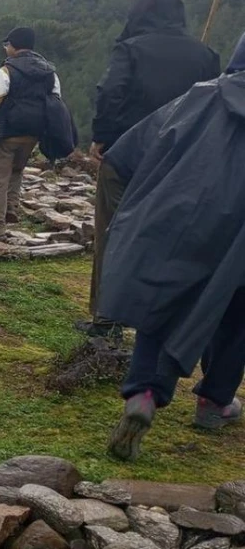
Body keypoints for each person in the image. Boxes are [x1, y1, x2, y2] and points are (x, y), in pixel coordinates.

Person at [101, 31, 245, 462]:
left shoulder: (203, 96)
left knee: (160, 304)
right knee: (237, 316)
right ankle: (215, 402)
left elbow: (127, 155)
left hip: (182, 218)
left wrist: (141, 204)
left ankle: (145, 392)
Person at [76, 0, 222, 339]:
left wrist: (101, 137)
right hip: (178, 161)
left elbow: (111, 92)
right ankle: (156, 318)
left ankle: (106, 317)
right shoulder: (205, 55)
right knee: (164, 235)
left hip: (126, 155)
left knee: (112, 230)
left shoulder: (130, 48)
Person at [0, 27, 62, 241]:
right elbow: (56, 99)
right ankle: (11, 208)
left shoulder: (7, 70)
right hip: (33, 133)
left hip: (6, 132)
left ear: (13, 46)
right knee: (17, 171)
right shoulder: (50, 72)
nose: (6, 49)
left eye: (7, 45)